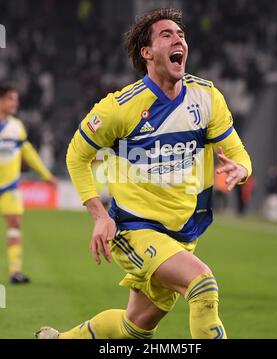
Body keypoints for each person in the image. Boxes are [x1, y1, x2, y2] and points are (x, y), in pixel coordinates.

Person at [36, 8, 251, 339]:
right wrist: (98, 215)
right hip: (134, 228)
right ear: (146, 53)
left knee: (133, 329)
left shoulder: (206, 98)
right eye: (166, 35)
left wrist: (242, 169)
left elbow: (238, 154)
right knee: (202, 285)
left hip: (182, 232)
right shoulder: (120, 108)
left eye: (181, 34)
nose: (178, 39)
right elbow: (77, 155)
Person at [0, 84, 56, 284]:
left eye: (15, 99)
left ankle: (15, 271)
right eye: (11, 99)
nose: (15, 103)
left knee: (15, 226)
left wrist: (46, 175)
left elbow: (28, 153)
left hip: (9, 188)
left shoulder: (16, 127)